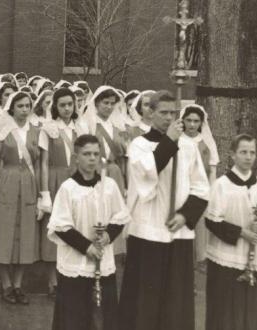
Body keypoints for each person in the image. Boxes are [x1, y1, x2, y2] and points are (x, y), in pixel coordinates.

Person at [118, 90, 210, 330]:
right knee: (145, 300)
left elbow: (201, 187)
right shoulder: (139, 145)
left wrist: (185, 215)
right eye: (163, 112)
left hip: (177, 230)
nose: (170, 118)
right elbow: (148, 174)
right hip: (148, 231)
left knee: (175, 300)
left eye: (173, 113)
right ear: (150, 112)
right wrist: (169, 141)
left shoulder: (189, 147)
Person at [48, 134, 130, 330]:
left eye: (96, 153)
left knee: (103, 315)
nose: (92, 158)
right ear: (76, 158)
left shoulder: (108, 186)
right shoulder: (68, 189)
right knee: (74, 316)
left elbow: (120, 216)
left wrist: (109, 235)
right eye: (86, 154)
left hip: (103, 257)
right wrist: (87, 247)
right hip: (76, 262)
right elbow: (61, 226)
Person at [204, 134, 257, 330]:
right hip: (228, 256)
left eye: (252, 152)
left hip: (255, 258)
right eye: (243, 152)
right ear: (232, 155)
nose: (248, 157)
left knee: (251, 308)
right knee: (226, 309)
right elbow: (212, 220)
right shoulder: (222, 184)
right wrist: (241, 232)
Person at [0, 91, 41, 305]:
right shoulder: (1, 130)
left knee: (26, 234)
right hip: (7, 180)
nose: (25, 109)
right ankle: (6, 283)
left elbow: (38, 163)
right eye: (20, 106)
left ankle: (18, 284)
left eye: (28, 105)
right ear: (12, 108)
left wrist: (41, 194)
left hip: (28, 182)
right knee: (5, 232)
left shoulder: (37, 131)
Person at [38, 88, 89, 298]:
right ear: (55, 107)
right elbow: (42, 163)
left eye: (70, 104)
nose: (67, 108)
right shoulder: (48, 128)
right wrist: (44, 192)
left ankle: (74, 277)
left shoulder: (82, 127)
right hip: (56, 179)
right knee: (57, 228)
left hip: (78, 180)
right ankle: (53, 281)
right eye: (62, 105)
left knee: (78, 227)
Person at [181, 104, 220, 262]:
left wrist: (210, 193)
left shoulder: (206, 143)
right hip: (182, 189)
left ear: (201, 123)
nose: (192, 125)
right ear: (183, 120)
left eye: (196, 121)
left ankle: (198, 258)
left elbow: (212, 170)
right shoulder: (178, 140)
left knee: (199, 225)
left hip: (201, 191)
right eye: (188, 120)